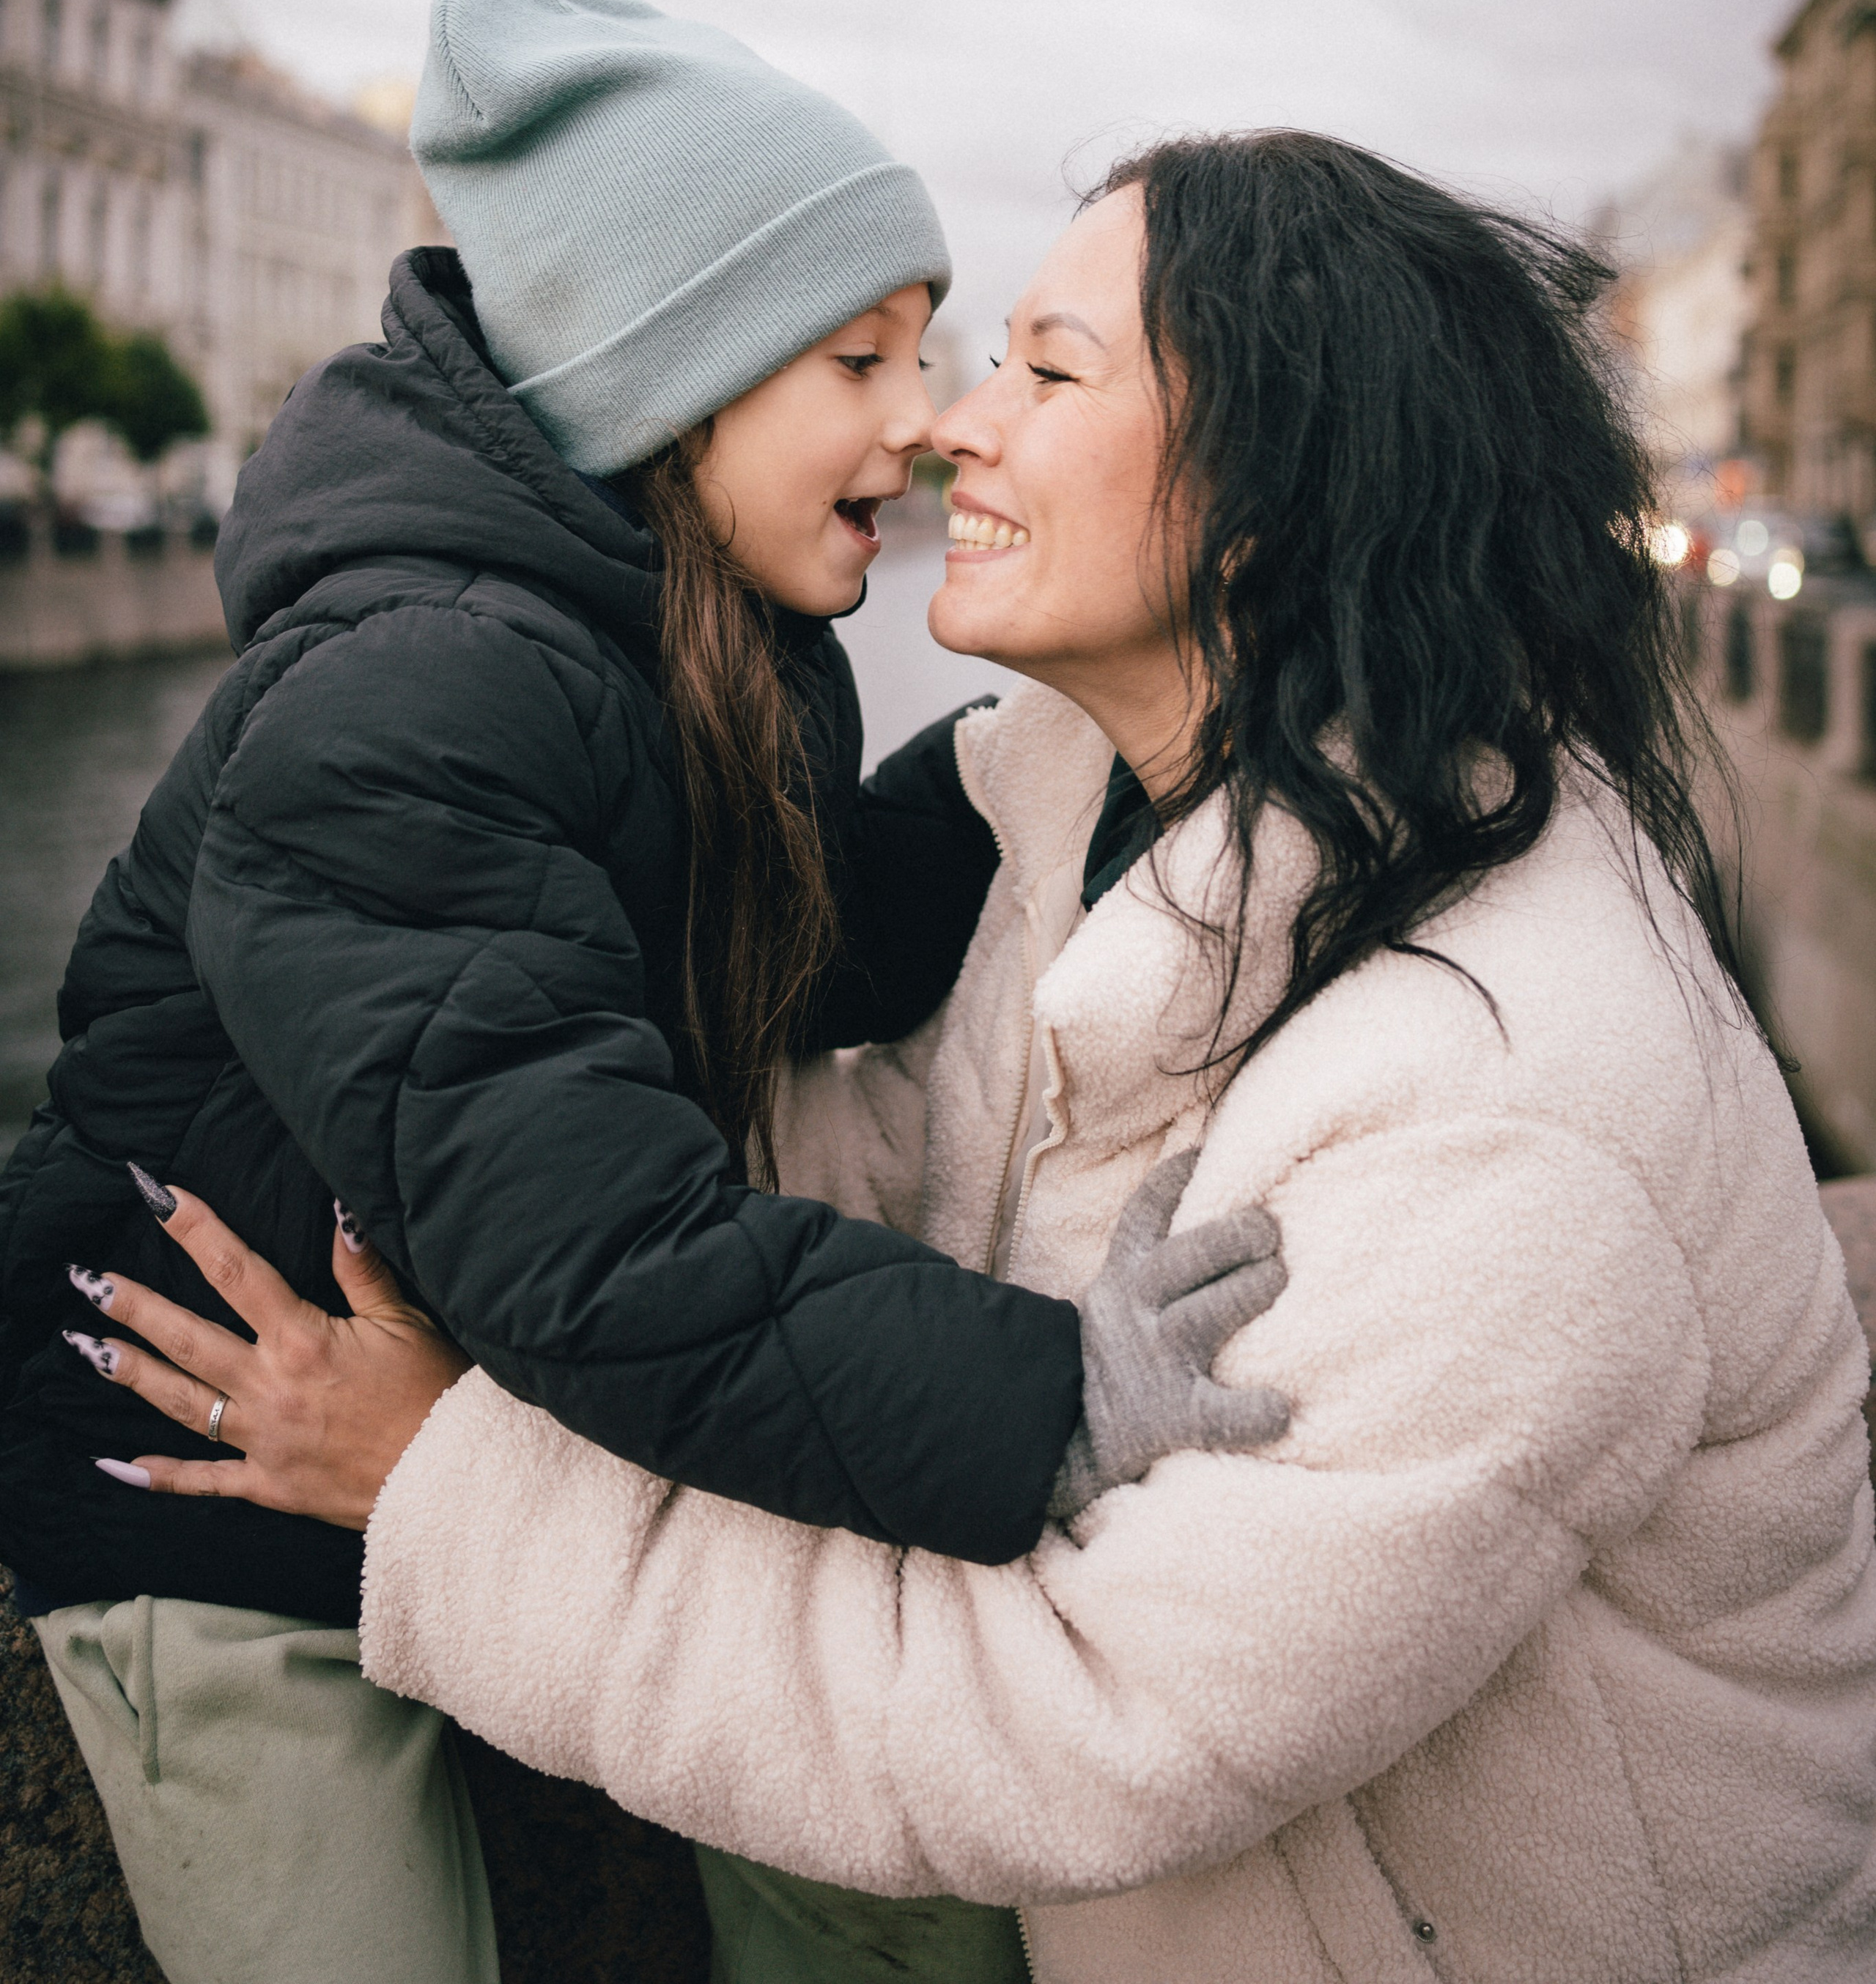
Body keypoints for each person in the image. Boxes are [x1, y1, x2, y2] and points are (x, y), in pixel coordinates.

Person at [107, 130, 1876, 1981]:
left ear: (1269, 499)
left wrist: (440, 1490)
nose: (958, 426)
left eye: (1044, 369)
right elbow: (899, 1145)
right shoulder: (1097, 808)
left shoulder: (1513, 1110)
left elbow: (1081, 1724)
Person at [0, 0, 1278, 1984]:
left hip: (497, 1434)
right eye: (859, 359)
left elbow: (818, 936)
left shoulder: (672, 642)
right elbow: (597, 1250)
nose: (926, 421)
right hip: (221, 1516)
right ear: (664, 382)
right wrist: (1054, 1397)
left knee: (877, 1887)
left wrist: (1068, 720)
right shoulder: (411, 690)